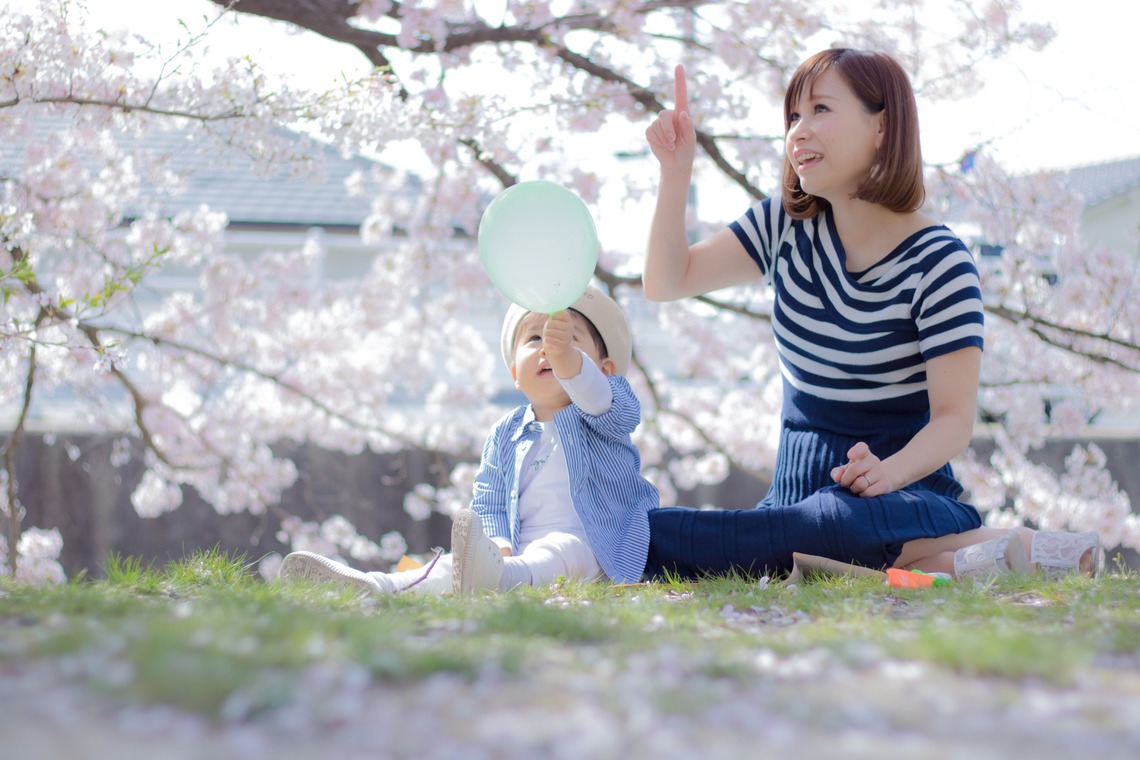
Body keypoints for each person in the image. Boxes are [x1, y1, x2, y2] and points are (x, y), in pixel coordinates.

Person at [640, 48, 1101, 581]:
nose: (798, 131)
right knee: (815, 529)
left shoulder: (940, 262)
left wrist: (886, 474)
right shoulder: (783, 226)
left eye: (820, 110)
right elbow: (666, 281)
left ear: (882, 128)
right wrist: (676, 172)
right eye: (793, 117)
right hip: (798, 500)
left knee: (829, 527)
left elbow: (953, 420)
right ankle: (999, 554)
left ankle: (638, 537)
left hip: (898, 492)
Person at [279, 284, 659, 594]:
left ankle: (498, 579)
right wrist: (498, 547)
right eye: (535, 338)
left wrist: (570, 364)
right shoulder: (505, 433)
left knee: (559, 550)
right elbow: (490, 498)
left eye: (567, 338)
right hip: (517, 552)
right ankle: (376, 587)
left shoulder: (605, 409)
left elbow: (603, 401)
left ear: (606, 369)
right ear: (514, 373)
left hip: (596, 546)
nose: (549, 347)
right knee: (450, 565)